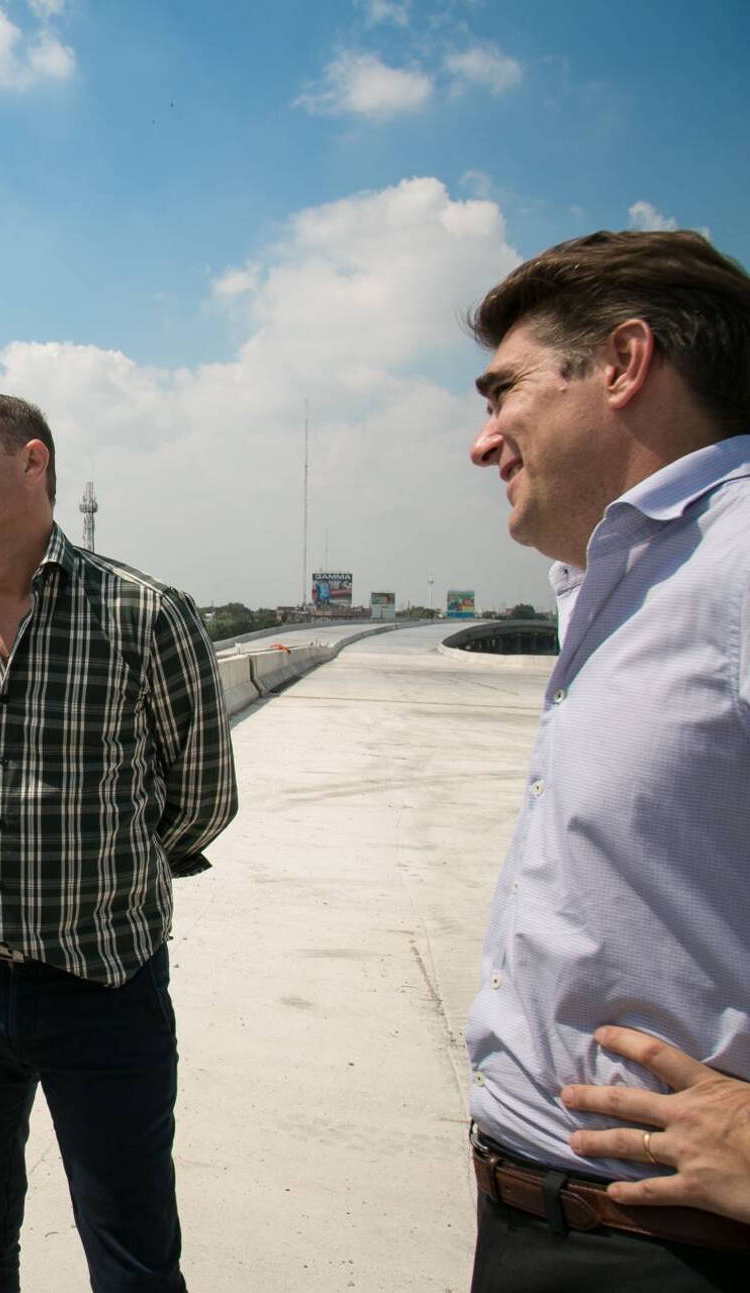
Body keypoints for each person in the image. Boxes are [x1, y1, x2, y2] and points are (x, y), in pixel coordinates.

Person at [0, 391, 237, 1292]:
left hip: (104, 984)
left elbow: (201, 798)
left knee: (133, 1251)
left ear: (33, 462)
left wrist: (102, 884)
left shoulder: (145, 615)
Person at [463, 229, 750, 1289]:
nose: (483, 440)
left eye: (503, 393)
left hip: (669, 1249)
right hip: (545, 1215)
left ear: (623, 365)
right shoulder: (619, 583)